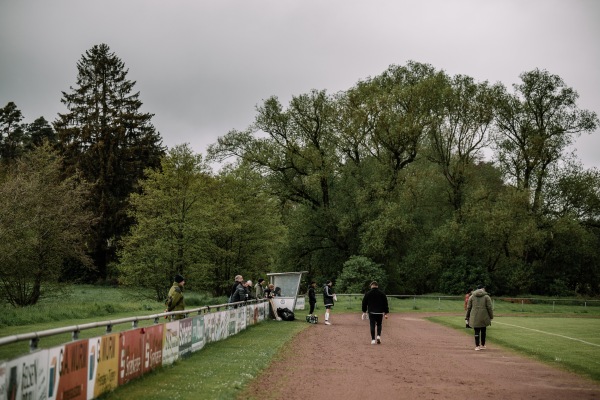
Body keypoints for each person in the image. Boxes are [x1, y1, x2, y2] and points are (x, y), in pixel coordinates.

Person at [465, 284, 493, 350]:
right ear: (482, 289)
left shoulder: (472, 296)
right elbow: (489, 307)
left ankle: (477, 346)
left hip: (474, 316)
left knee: (476, 331)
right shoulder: (486, 297)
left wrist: (467, 316)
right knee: (483, 330)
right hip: (484, 316)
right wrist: (491, 316)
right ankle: (483, 345)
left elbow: (469, 308)